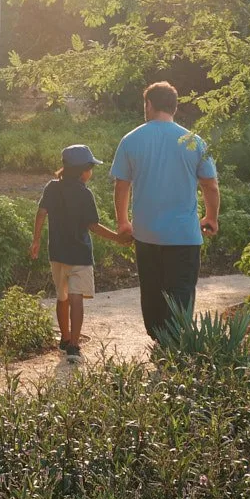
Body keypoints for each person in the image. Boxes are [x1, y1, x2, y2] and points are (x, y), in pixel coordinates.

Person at [111, 81, 221, 342]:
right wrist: (211, 217)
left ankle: (159, 341)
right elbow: (210, 185)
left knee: (151, 292)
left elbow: (121, 186)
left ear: (148, 105)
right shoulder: (194, 141)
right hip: (184, 236)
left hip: (147, 235)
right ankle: (177, 346)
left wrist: (123, 222)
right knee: (181, 292)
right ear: (174, 106)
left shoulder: (131, 139)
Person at [29, 143, 125, 355]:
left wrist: (35, 241)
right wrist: (117, 238)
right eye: (90, 168)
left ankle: (64, 338)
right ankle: (74, 344)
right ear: (83, 171)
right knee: (76, 298)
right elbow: (93, 226)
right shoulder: (85, 194)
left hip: (56, 253)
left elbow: (41, 212)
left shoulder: (52, 188)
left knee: (62, 297)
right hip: (80, 255)